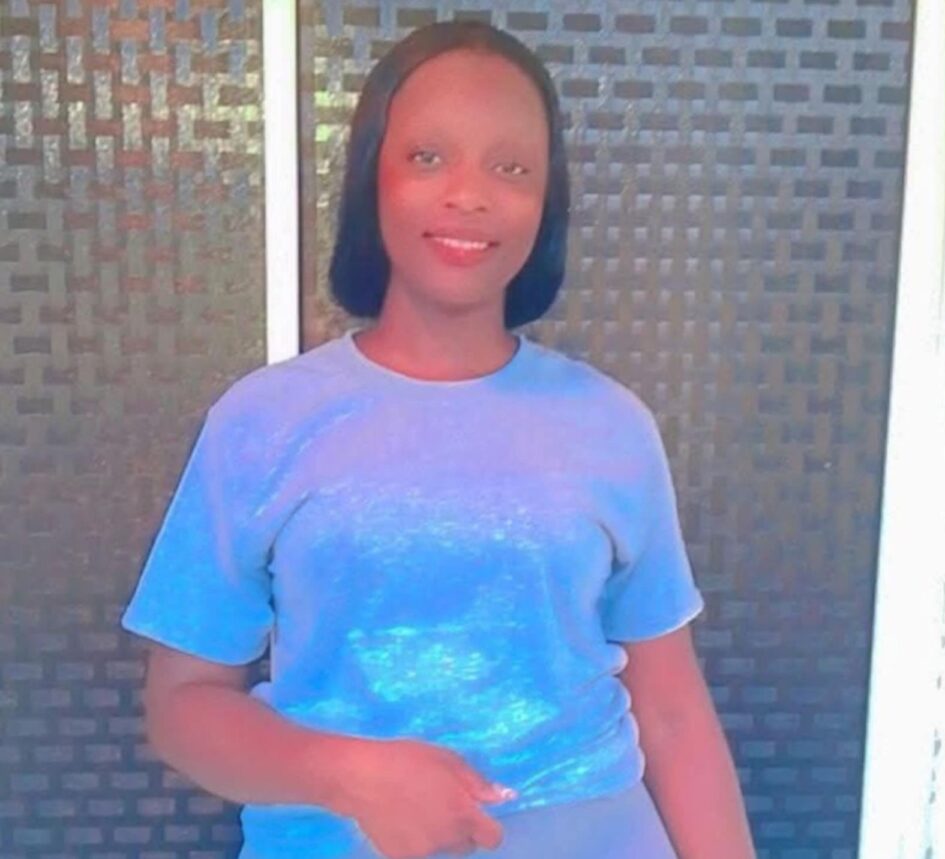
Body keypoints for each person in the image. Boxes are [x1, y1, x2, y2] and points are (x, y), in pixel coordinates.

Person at [121, 20, 756, 859]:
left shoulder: (613, 425)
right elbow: (182, 704)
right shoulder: (262, 421)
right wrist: (345, 774)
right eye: (428, 157)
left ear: (547, 202)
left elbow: (671, 712)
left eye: (511, 167)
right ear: (371, 179)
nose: (469, 194)